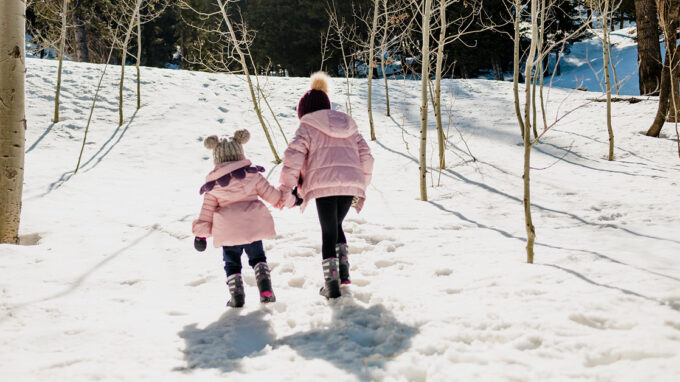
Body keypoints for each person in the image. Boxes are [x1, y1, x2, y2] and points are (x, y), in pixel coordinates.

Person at [278, 72, 374, 299]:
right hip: (350, 187)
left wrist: (287, 187)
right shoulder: (349, 125)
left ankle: (331, 285)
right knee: (336, 225)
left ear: (304, 112)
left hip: (324, 186)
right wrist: (361, 184)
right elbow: (367, 157)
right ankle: (343, 272)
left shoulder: (306, 127)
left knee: (329, 230)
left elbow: (293, 158)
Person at [192, 129, 285, 308]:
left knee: (232, 263)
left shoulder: (213, 186)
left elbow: (207, 212)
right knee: (258, 257)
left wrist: (200, 236)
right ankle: (266, 290)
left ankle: (237, 296)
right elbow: (272, 196)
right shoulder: (253, 175)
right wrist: (287, 198)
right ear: (239, 153)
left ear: (217, 159)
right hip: (252, 227)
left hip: (228, 231)